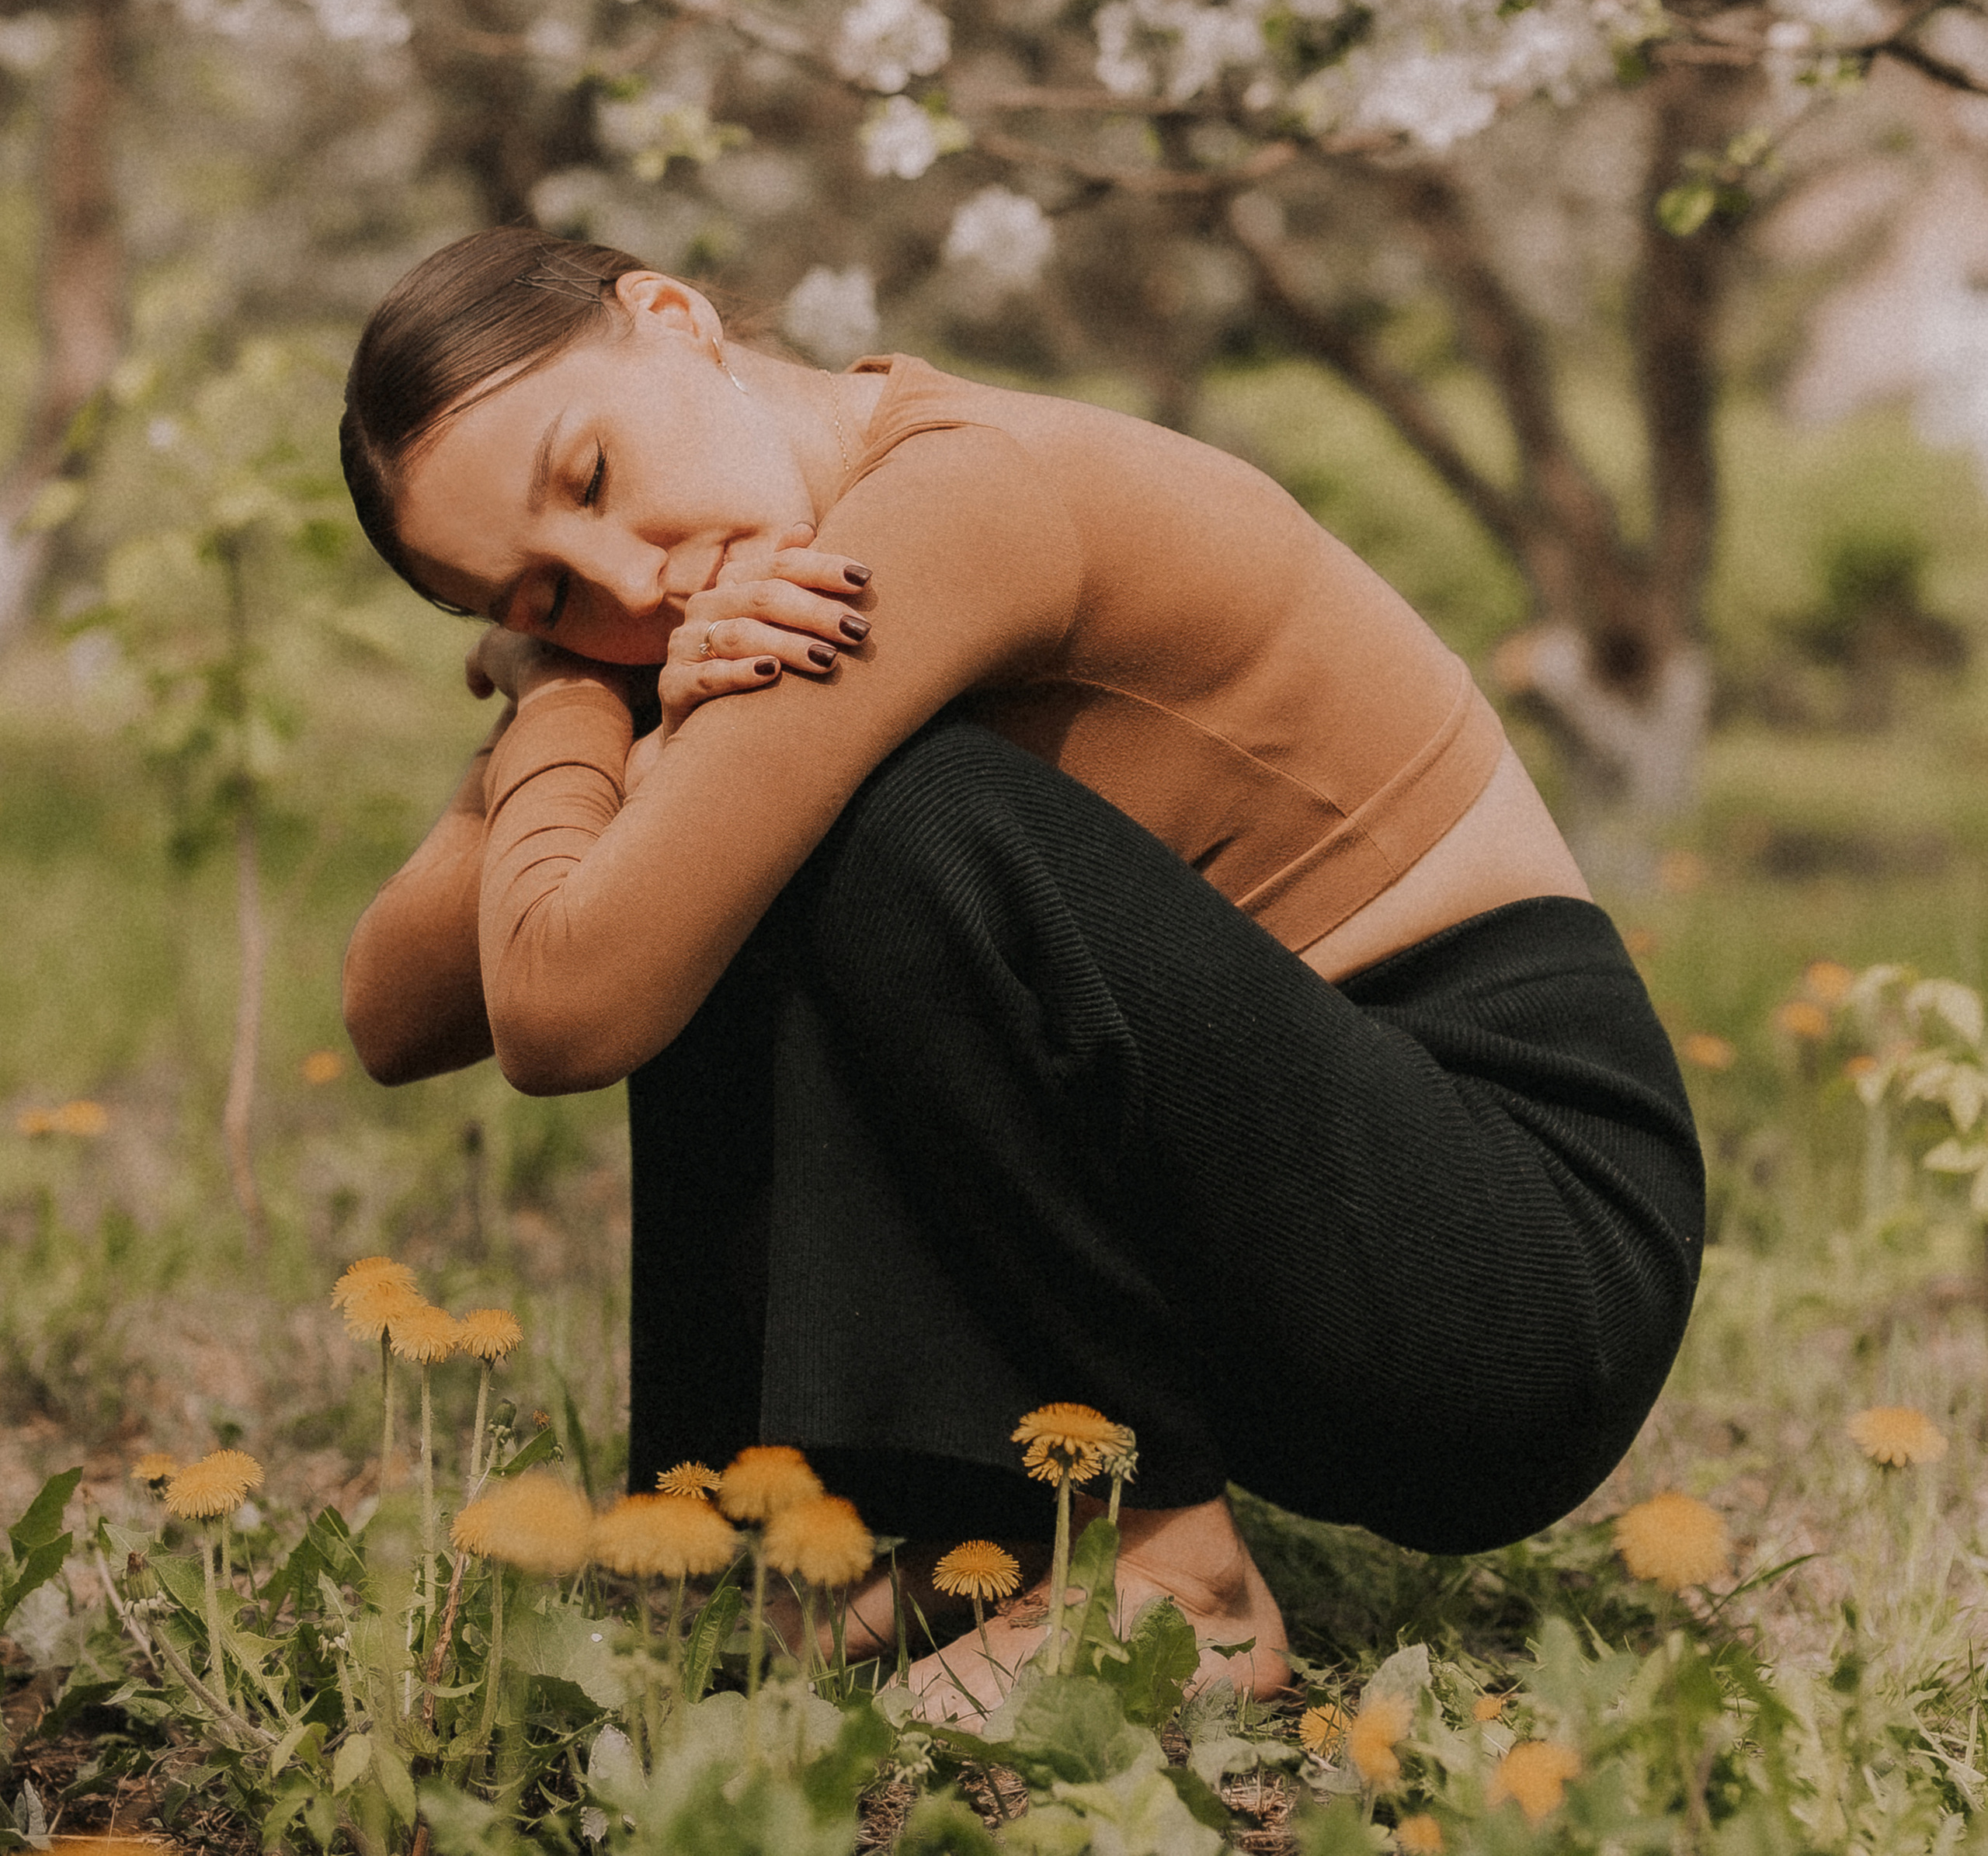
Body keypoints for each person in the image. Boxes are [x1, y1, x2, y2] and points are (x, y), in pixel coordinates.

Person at [339, 228, 1703, 1712]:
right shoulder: (717, 595)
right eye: (538, 597)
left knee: (878, 821)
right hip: (1316, 1209)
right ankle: (926, 1528)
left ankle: (1180, 1583)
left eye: (590, 477)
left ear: (669, 316)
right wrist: (607, 700)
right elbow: (391, 1012)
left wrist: (554, 700)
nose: (625, 579)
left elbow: (558, 1007)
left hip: (1516, 1246)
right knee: (712, 852)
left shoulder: (957, 500)